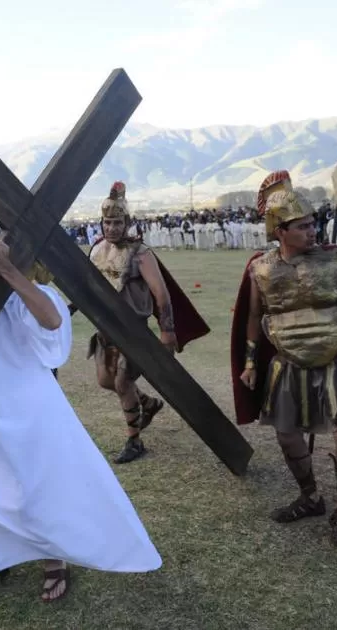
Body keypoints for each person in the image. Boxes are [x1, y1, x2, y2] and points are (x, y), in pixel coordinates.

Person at [0, 221, 162, 603]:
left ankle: (55, 560)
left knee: (37, 489)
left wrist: (6, 271)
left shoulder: (4, 288)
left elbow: (52, 320)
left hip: (25, 404)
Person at [230, 171, 337, 551]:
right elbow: (253, 319)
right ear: (279, 231)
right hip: (286, 365)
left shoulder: (335, 262)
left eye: (312, 224)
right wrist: (252, 364)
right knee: (288, 439)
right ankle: (310, 497)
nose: (312, 231)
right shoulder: (261, 268)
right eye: (302, 226)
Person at [82, 181, 210, 464]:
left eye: (117, 222)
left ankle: (134, 440)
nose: (112, 227)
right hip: (105, 329)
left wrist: (167, 331)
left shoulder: (140, 253)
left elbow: (161, 294)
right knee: (106, 381)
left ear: (126, 222)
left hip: (133, 332)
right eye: (107, 222)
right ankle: (148, 405)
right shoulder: (96, 250)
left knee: (122, 382)